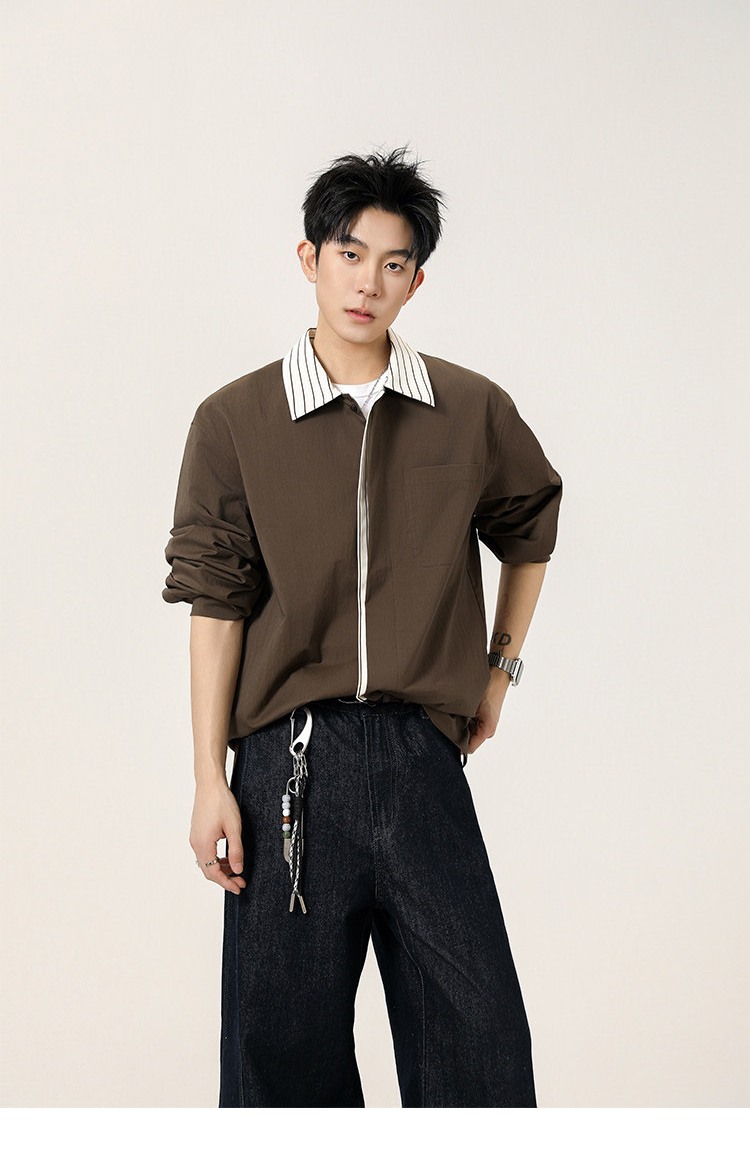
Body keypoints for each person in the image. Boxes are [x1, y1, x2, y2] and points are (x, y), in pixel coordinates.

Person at [162, 145, 563, 1108]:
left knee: (480, 1042)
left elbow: (530, 527)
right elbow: (216, 603)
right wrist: (211, 777)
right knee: (280, 1053)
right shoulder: (234, 419)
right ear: (310, 259)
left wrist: (498, 671)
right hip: (285, 769)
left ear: (416, 281)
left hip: (423, 757)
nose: (367, 283)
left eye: (392, 263)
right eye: (349, 254)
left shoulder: (469, 408)